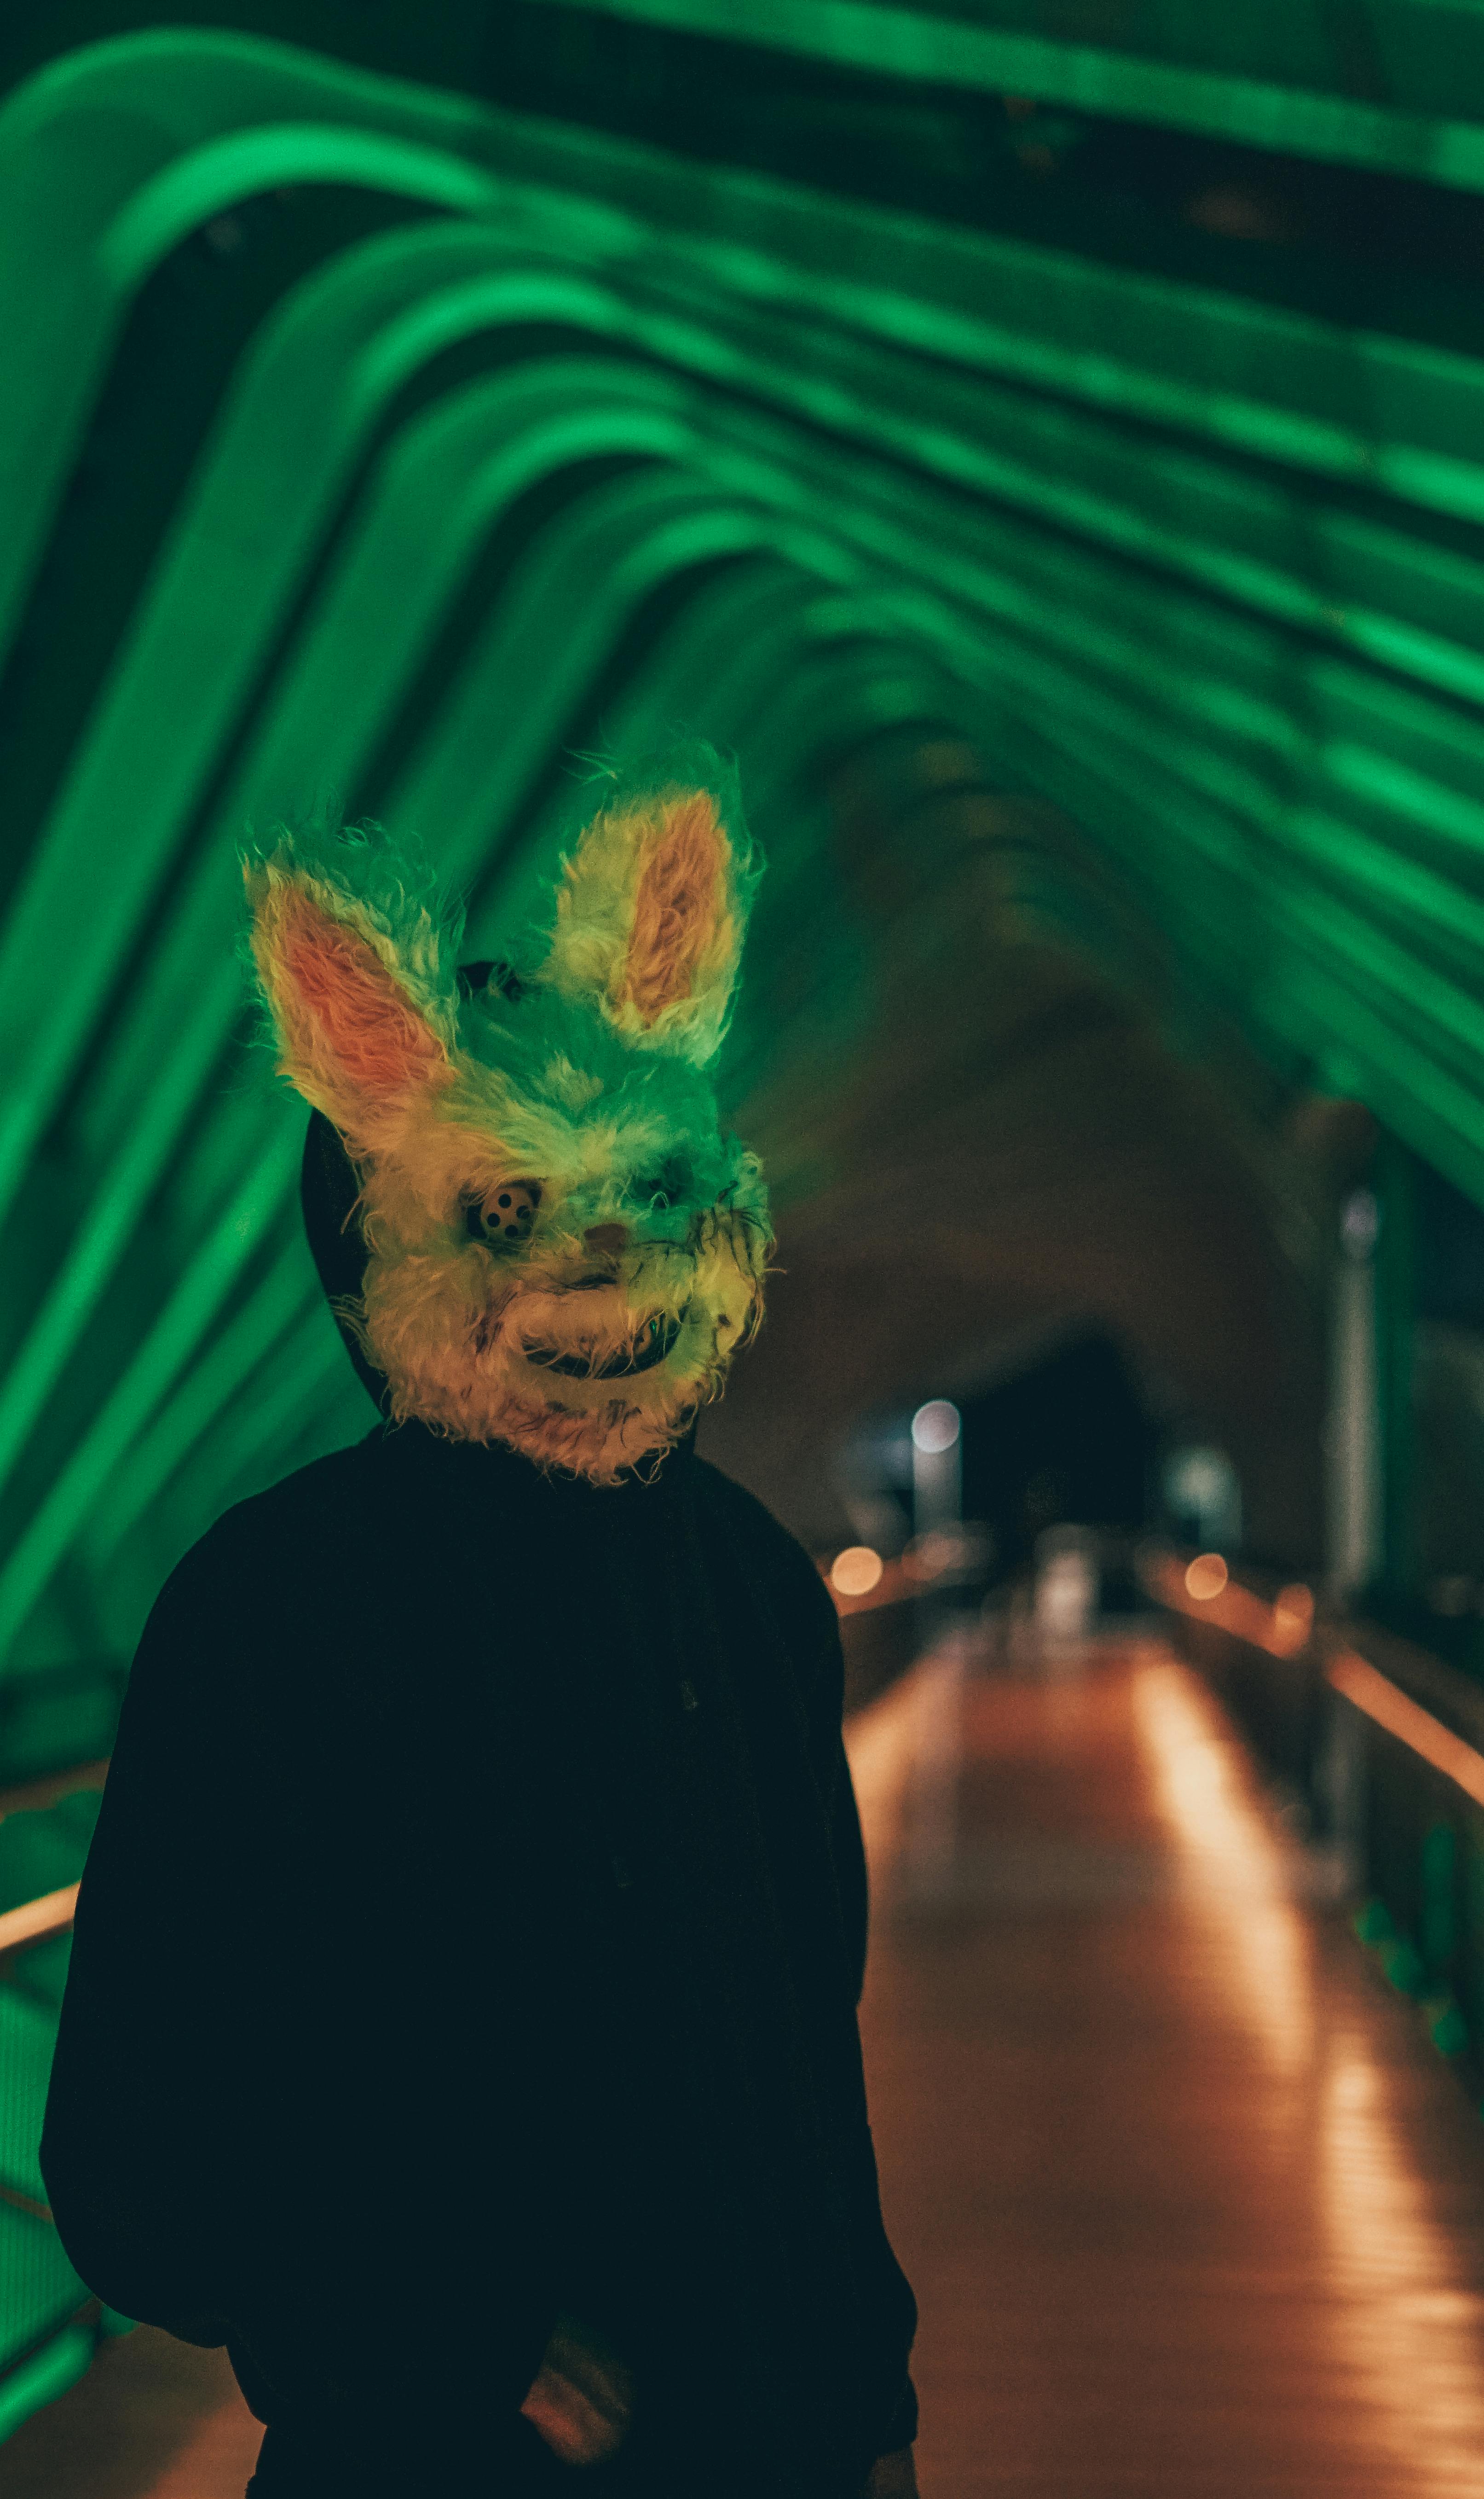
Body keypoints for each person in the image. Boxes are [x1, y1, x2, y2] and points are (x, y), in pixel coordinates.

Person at [40, 746, 920, 2495]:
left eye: (641, 1193)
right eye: (510, 1210)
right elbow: (139, 2157)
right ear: (386, 1259)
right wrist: (465, 2341)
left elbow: (803, 2076)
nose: (595, 1263)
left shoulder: (749, 1586)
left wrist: (869, 2416)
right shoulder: (280, 1613)